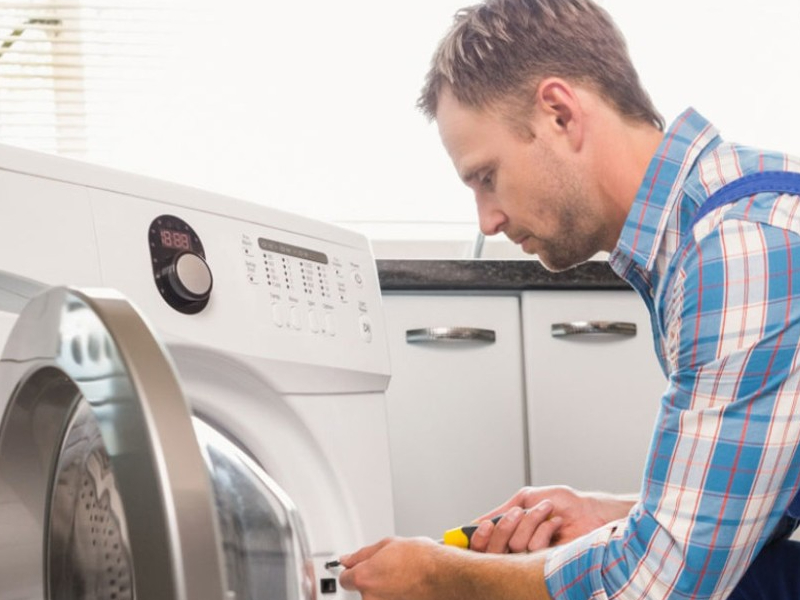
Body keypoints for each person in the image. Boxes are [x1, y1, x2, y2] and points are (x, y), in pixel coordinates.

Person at [338, 0, 800, 598]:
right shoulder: (704, 227)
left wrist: (436, 575)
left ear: (560, 114)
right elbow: (761, 490)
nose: (487, 219)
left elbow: (654, 586)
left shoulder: (738, 246)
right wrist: (612, 514)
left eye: (487, 177)